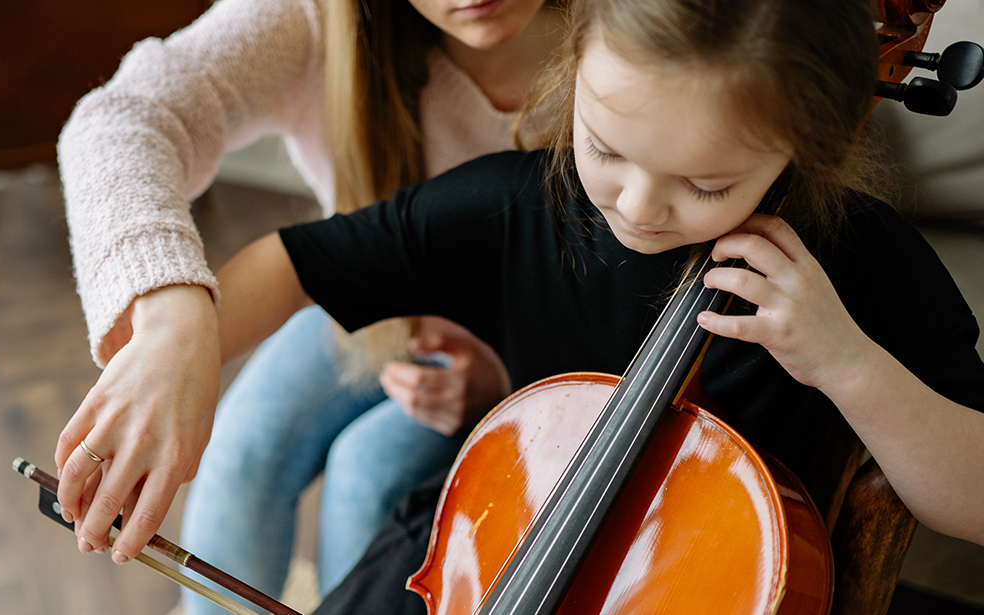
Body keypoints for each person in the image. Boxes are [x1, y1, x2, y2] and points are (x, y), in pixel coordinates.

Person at [179, 0, 984, 611]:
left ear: (815, 142)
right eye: (603, 146)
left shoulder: (863, 264)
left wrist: (848, 362)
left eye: (707, 185)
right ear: (574, 65)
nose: (636, 205)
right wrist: (167, 359)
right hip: (498, 552)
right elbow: (294, 262)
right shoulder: (521, 205)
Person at [52, 0, 567, 609]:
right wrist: (170, 318)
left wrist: (505, 382)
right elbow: (121, 116)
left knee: (367, 475)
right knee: (239, 452)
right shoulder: (316, 19)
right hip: (375, 314)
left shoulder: (636, 33)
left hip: (536, 355)